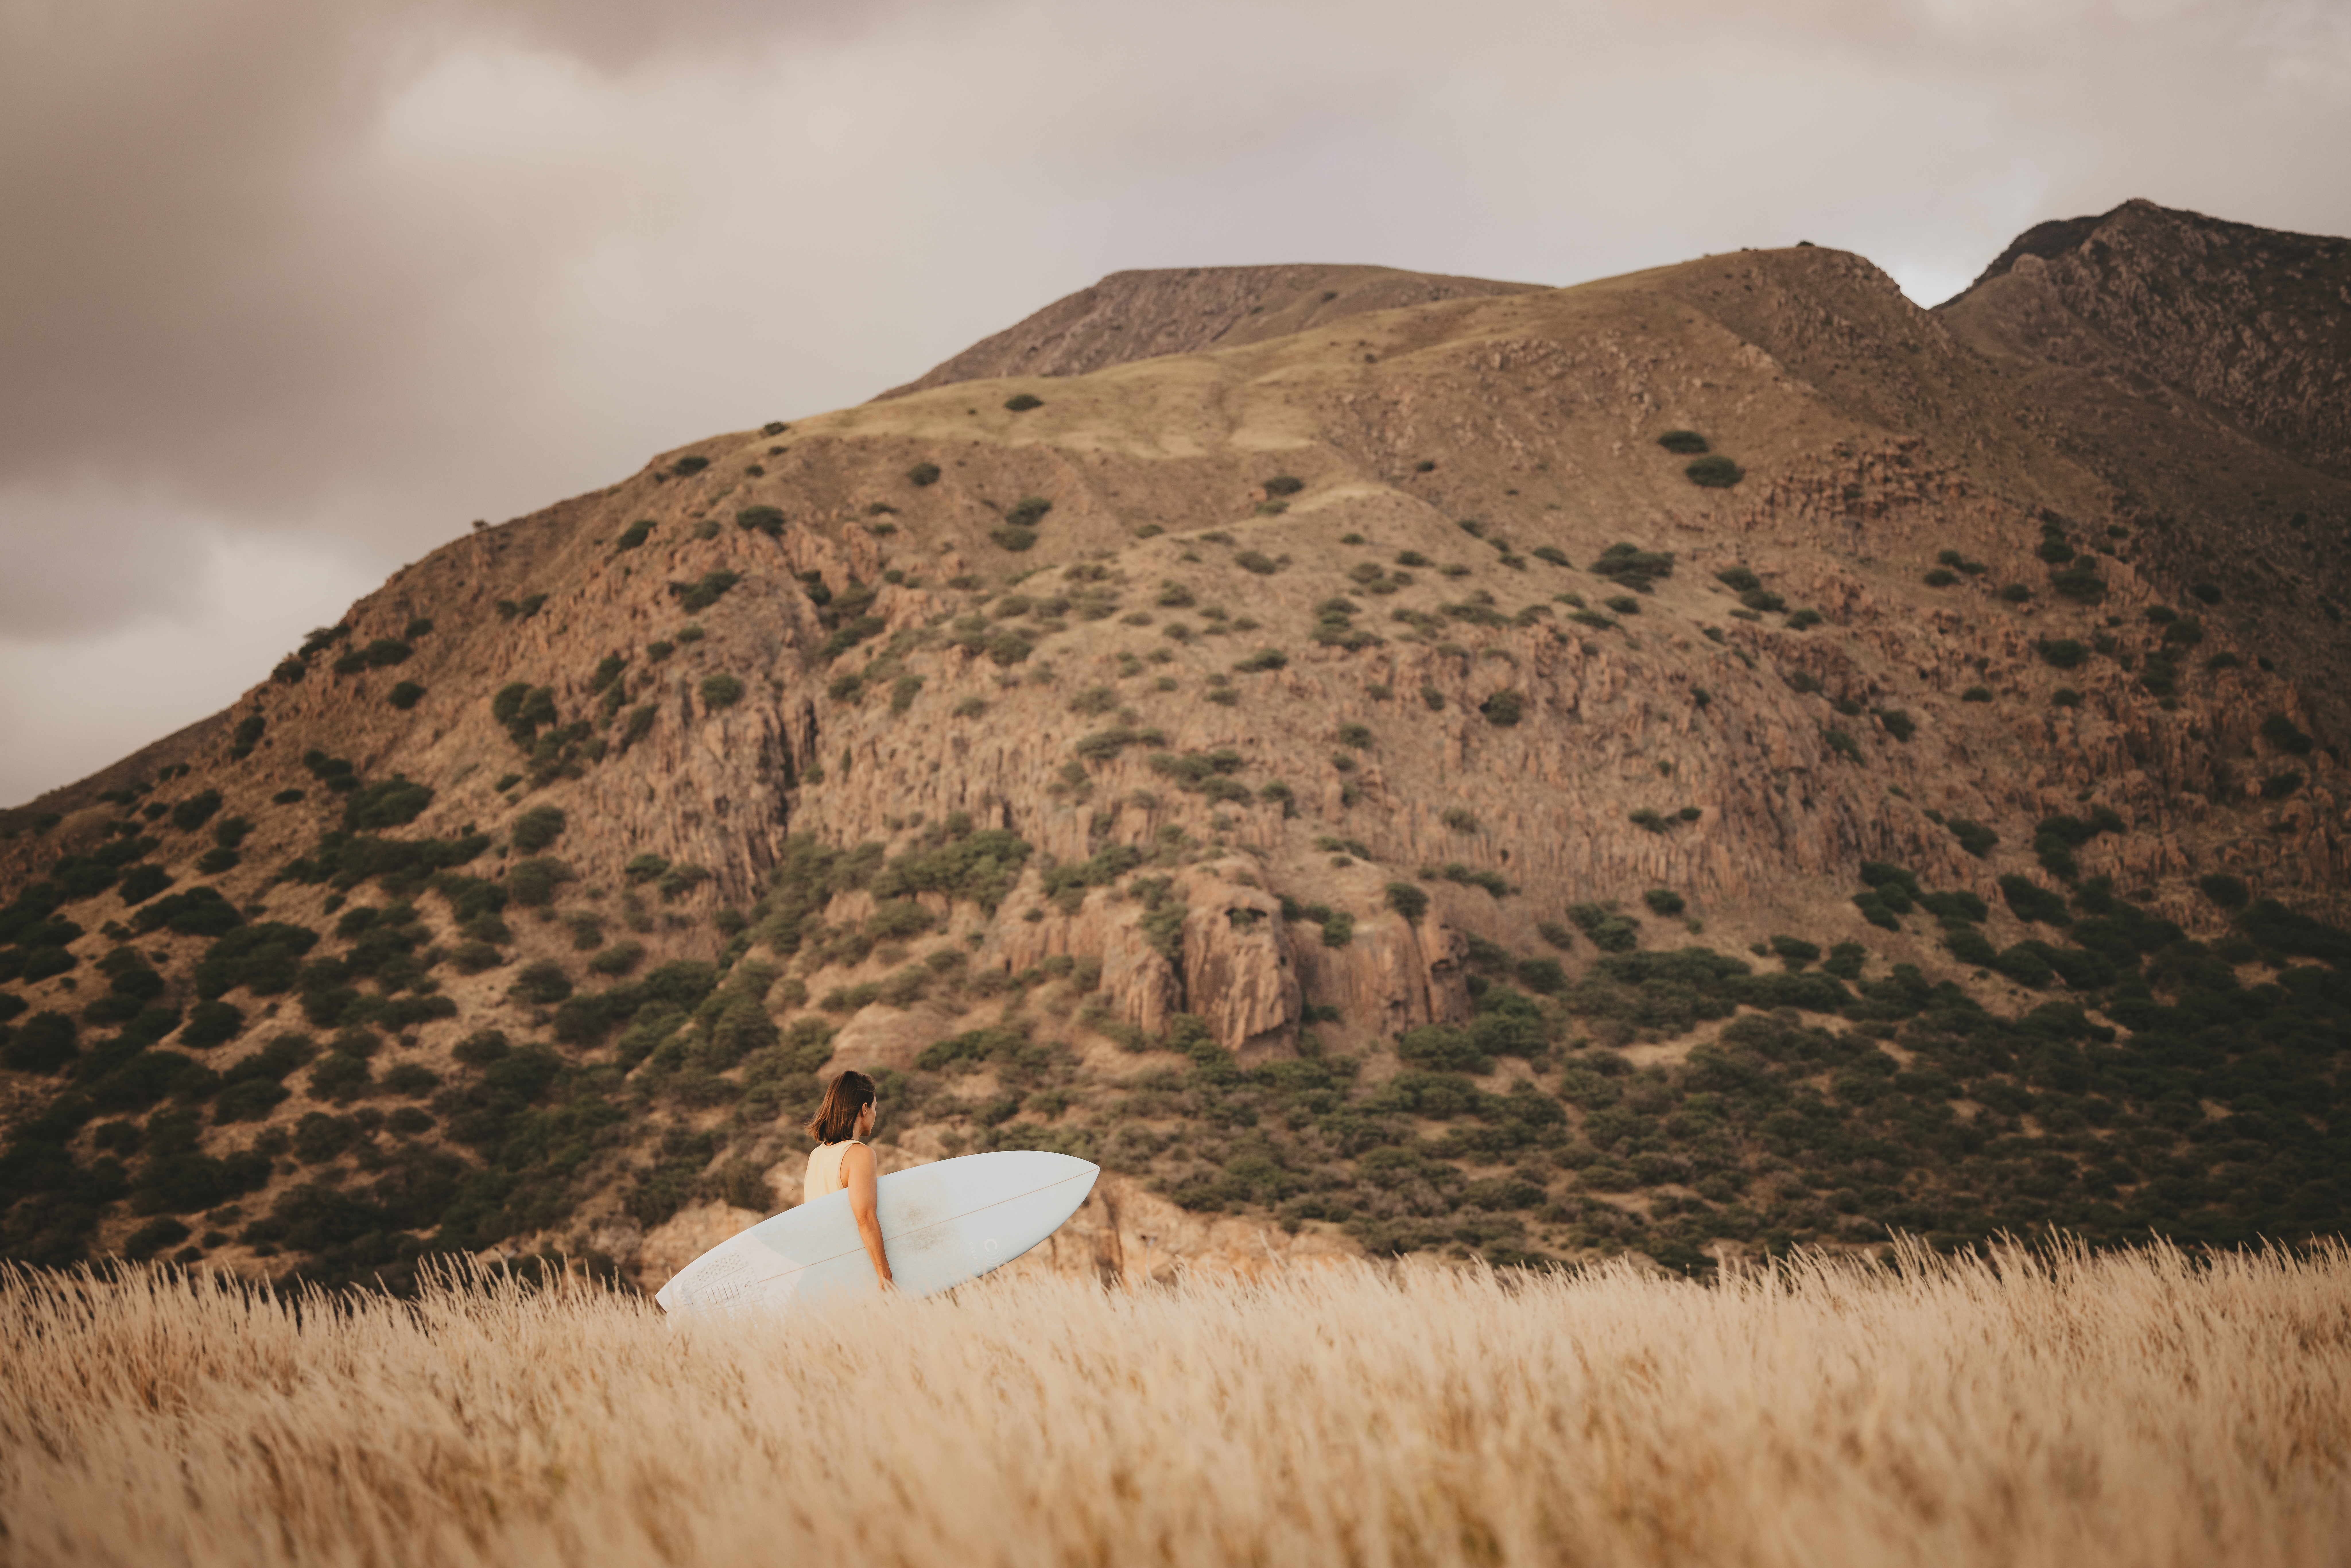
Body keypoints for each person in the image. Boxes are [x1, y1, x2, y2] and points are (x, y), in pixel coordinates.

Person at [804, 1070, 894, 1291]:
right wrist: (885, 1278)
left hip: (821, 1271)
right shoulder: (859, 1154)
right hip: (852, 1272)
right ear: (864, 1109)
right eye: (875, 1108)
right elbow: (865, 1218)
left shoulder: (817, 1156)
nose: (875, 1114)